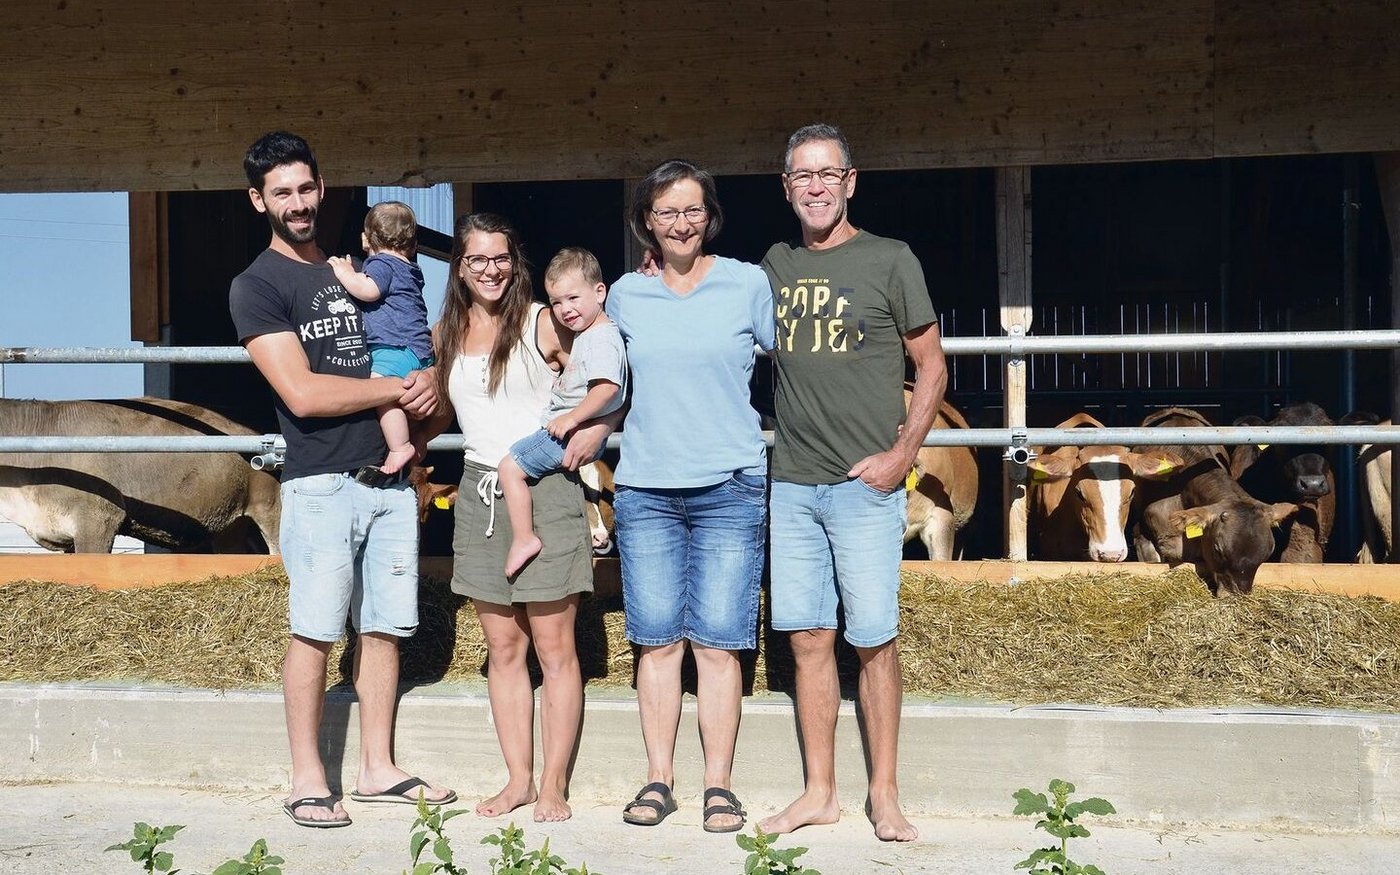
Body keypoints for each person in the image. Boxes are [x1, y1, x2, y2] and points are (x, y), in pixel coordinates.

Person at [227, 131, 455, 829]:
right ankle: (306, 777)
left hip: (388, 481)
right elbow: (301, 394)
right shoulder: (257, 286)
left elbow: (419, 364)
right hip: (322, 481)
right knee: (316, 630)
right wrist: (390, 389)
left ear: (323, 189)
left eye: (306, 188)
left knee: (384, 627)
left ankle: (377, 769)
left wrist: (423, 385)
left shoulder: (355, 268)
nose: (297, 203)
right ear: (258, 200)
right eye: (282, 192)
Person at [757, 123, 948, 843]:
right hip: (795, 485)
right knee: (809, 638)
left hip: (865, 485)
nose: (814, 186)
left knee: (873, 639)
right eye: (801, 175)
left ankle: (886, 793)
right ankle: (818, 791)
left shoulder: (891, 260)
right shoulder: (771, 264)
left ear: (850, 181)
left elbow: (932, 365)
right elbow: (708, 296)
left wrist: (903, 454)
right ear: (786, 187)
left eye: (826, 173)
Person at [608, 159, 775, 833]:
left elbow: (795, 354)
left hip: (729, 483)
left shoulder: (746, 283)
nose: (681, 223)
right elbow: (581, 359)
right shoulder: (623, 293)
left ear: (711, 216)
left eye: (692, 210)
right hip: (647, 485)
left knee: (718, 642)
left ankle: (719, 785)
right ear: (647, 221)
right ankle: (658, 778)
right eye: (667, 212)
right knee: (655, 641)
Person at [424, 213, 600, 823]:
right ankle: (518, 779)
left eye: (499, 258)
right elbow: (436, 409)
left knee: (553, 646)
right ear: (460, 267)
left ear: (514, 261)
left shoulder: (543, 323)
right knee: (503, 646)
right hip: (478, 493)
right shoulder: (445, 332)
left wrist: (597, 428)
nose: (490, 270)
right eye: (476, 260)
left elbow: (609, 367)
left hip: (544, 487)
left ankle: (554, 784)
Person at [498, 248, 627, 577]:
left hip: (568, 435)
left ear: (600, 292)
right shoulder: (589, 335)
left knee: (509, 468)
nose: (564, 309)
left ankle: (524, 539)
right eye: (556, 302)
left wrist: (572, 418)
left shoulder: (601, 339)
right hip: (571, 431)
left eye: (572, 298)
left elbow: (607, 388)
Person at [327, 201, 434, 475]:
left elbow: (368, 291)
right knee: (404, 400)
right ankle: (414, 439)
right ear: (412, 245)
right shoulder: (409, 268)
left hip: (395, 347)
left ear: (366, 239)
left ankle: (400, 448)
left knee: (380, 391)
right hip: (418, 349)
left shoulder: (381, 264)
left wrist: (344, 273)